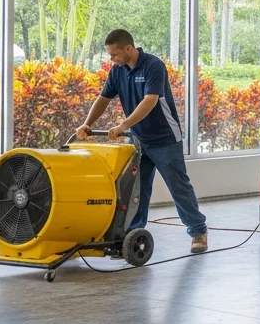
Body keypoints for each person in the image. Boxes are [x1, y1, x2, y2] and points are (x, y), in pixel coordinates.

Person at [77, 29, 208, 254]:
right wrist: (86, 123)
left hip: (164, 138)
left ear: (128, 49)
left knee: (178, 186)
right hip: (138, 140)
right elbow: (103, 98)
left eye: (114, 54)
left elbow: (150, 101)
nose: (112, 59)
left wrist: (122, 126)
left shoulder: (153, 66)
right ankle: (134, 235)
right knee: (136, 189)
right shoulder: (117, 71)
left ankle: (198, 231)